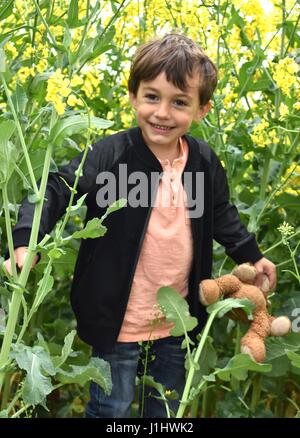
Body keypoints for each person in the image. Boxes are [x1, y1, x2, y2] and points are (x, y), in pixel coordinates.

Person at [5, 33, 276, 418]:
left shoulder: (201, 160)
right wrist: (25, 240)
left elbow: (221, 214)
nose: (162, 113)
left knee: (165, 410)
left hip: (178, 318)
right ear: (133, 95)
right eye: (152, 97)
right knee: (110, 407)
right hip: (117, 320)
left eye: (179, 102)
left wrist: (252, 256)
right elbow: (55, 187)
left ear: (202, 109)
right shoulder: (111, 155)